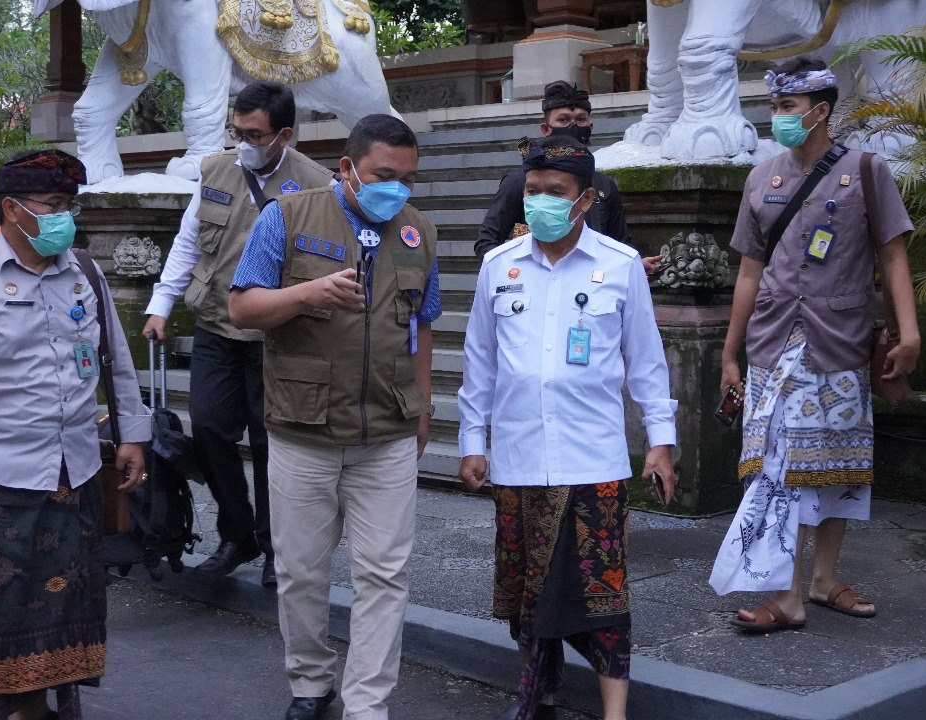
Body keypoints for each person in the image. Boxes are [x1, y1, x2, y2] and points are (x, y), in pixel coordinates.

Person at [0, 149, 151, 720]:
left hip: (75, 480)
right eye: (51, 205)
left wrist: (131, 435)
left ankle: (42, 712)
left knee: (66, 626)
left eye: (68, 205)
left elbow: (115, 361)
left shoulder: (86, 275)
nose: (62, 218)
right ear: (12, 210)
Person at [228, 114, 441, 720]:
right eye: (383, 176)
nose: (396, 189)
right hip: (303, 430)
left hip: (389, 434)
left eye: (407, 179)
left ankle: (367, 705)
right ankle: (311, 681)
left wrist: (421, 406)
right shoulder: (287, 217)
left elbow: (423, 324)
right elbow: (242, 306)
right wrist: (307, 294)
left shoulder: (419, 231)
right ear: (346, 169)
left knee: (386, 574)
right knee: (301, 572)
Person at [457, 134, 677, 720]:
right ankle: (539, 690)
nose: (540, 203)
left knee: (603, 597)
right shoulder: (498, 268)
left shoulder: (620, 267)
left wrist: (661, 443)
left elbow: (648, 365)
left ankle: (614, 713)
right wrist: (471, 440)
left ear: (585, 200)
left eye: (555, 192)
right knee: (528, 593)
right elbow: (480, 362)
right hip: (520, 460)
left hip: (594, 460)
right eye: (532, 192)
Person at [707, 58, 920, 632]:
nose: (777, 118)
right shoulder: (761, 178)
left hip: (841, 338)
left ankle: (823, 580)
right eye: (773, 107)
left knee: (837, 465)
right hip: (775, 342)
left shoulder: (867, 170)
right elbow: (750, 271)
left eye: (786, 109)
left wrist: (911, 330)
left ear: (819, 111)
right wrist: (731, 352)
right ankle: (787, 593)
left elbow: (893, 254)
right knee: (779, 464)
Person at [142, 80, 333, 583]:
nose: (243, 141)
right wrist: (160, 305)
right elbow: (188, 243)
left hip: (278, 335)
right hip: (215, 326)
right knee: (207, 427)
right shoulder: (217, 170)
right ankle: (237, 534)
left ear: (284, 134)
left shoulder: (316, 184)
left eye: (254, 134)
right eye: (237, 130)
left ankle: (275, 548)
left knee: (273, 442)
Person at [477, 81, 660, 274]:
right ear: (546, 129)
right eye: (563, 120)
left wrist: (633, 267)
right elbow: (487, 241)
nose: (573, 127)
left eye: (580, 120)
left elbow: (619, 243)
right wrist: (514, 276)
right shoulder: (519, 181)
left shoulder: (604, 185)